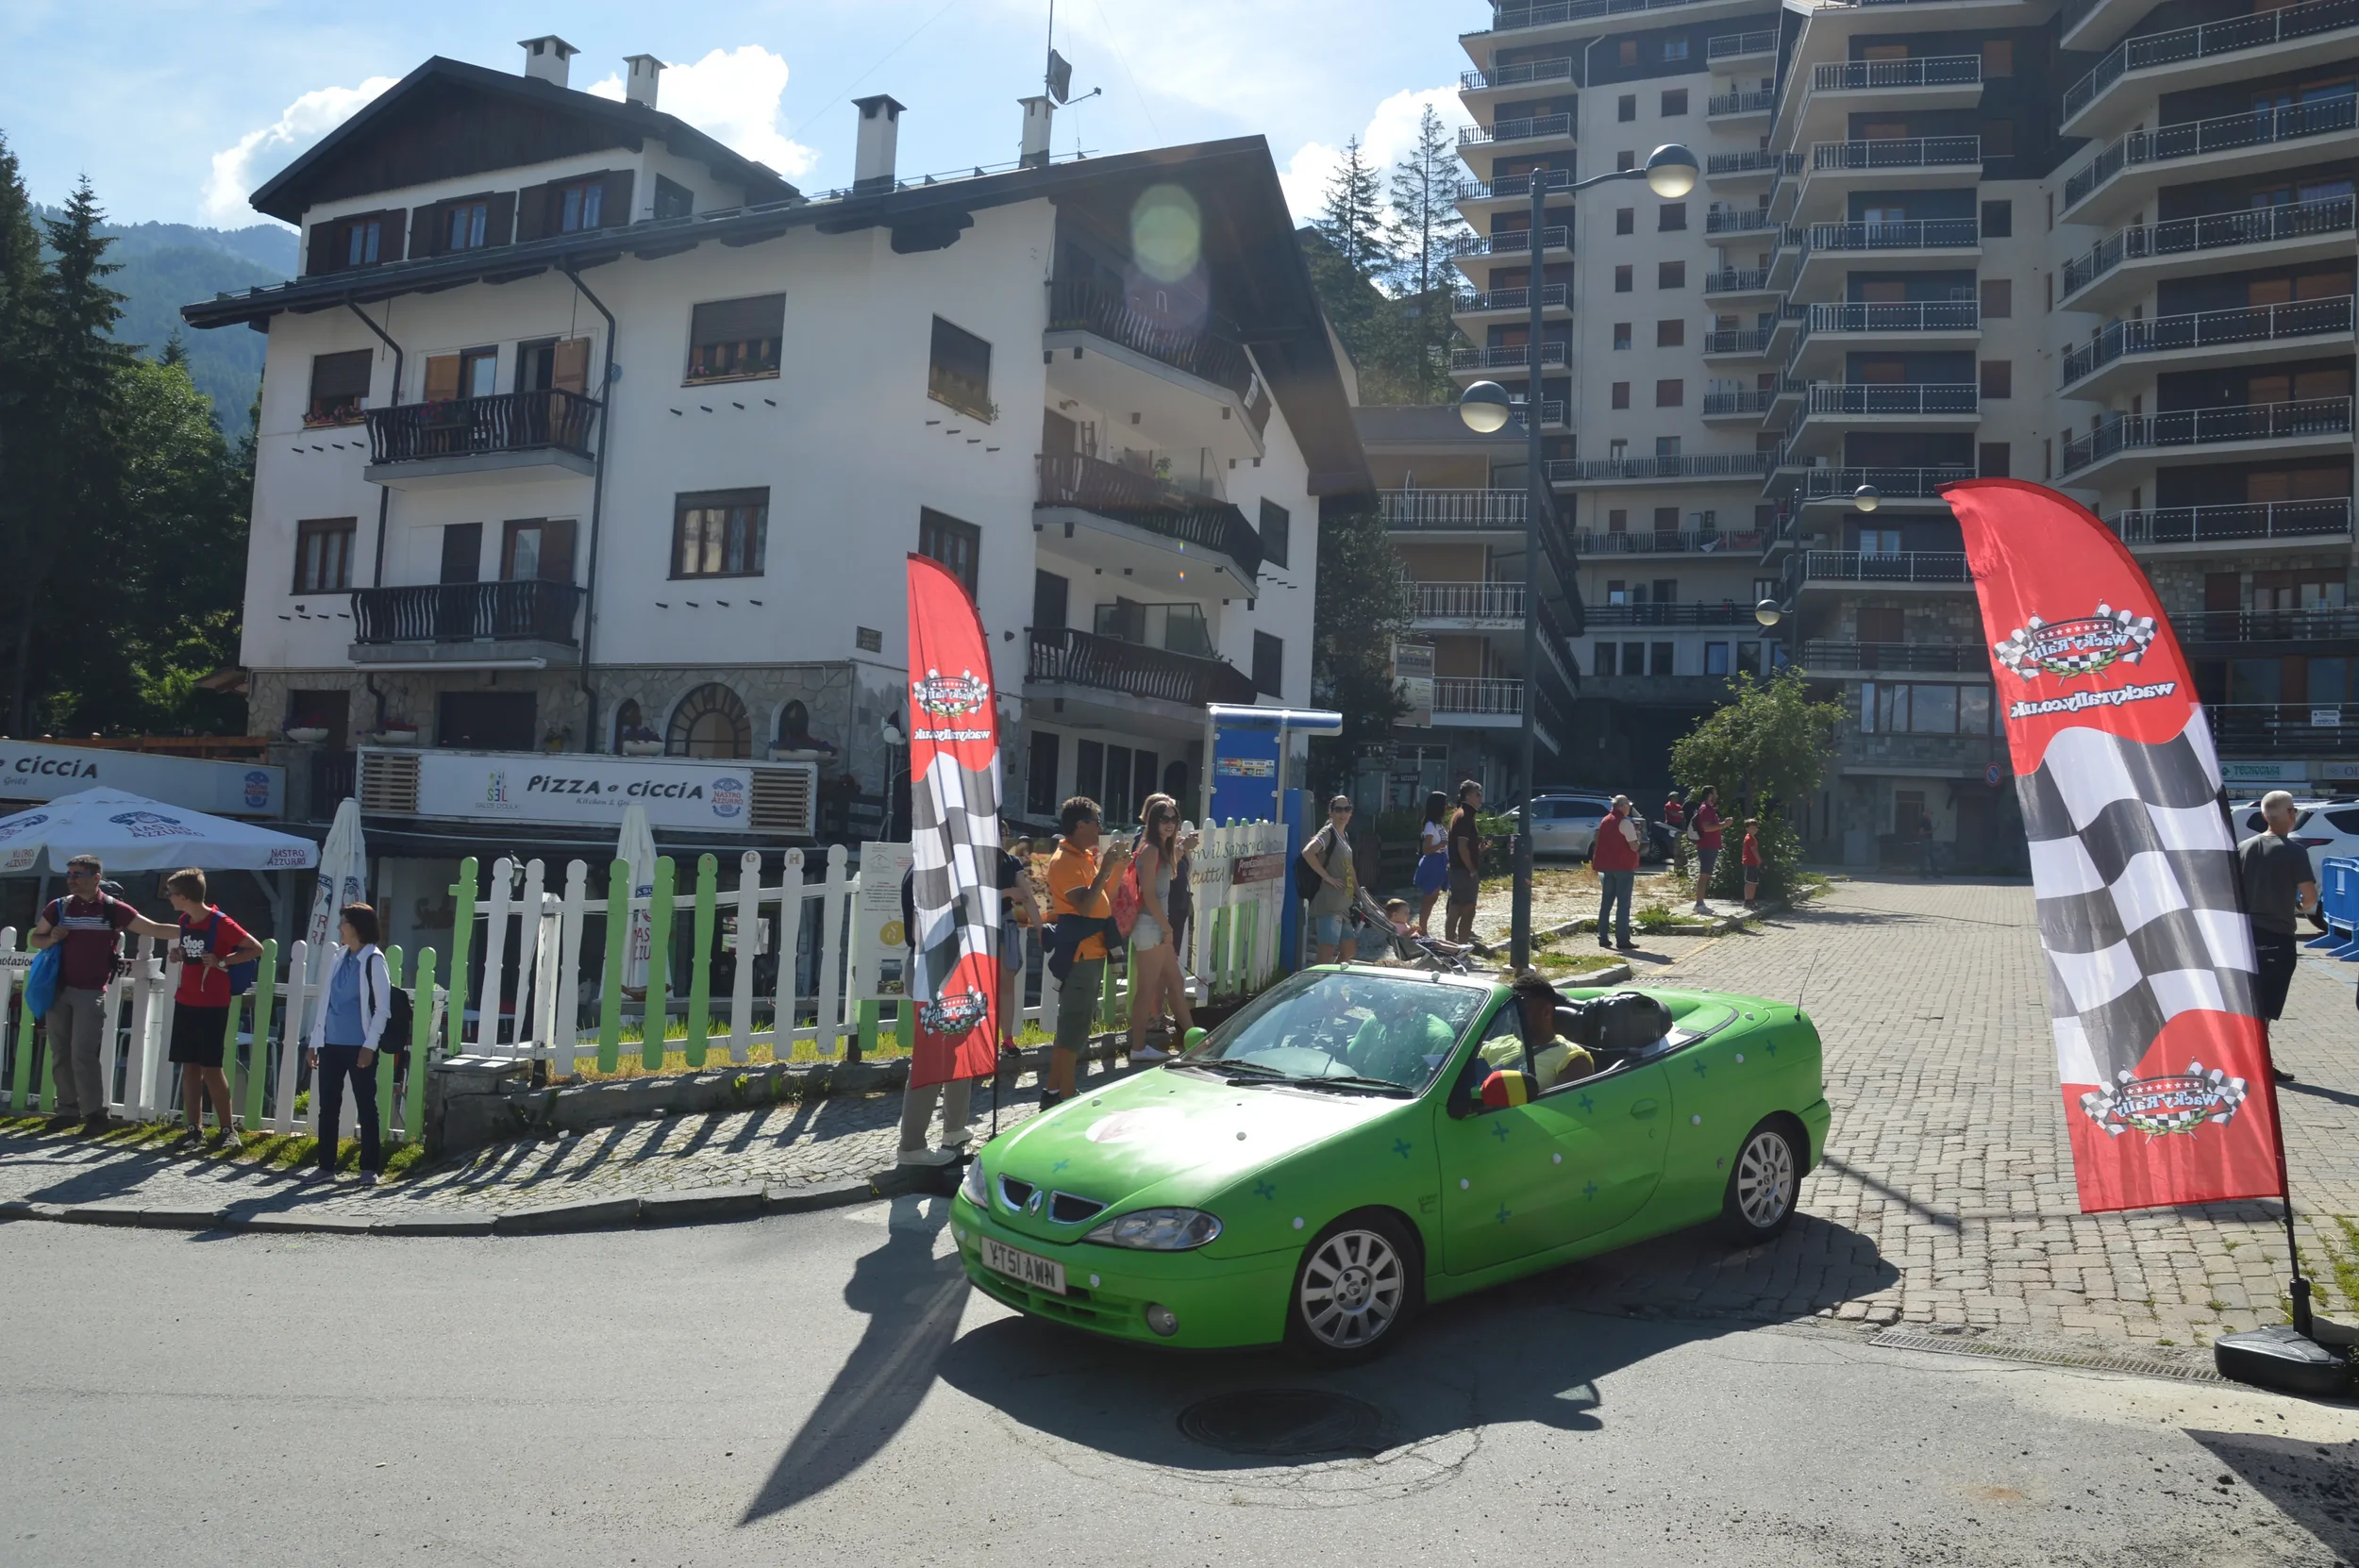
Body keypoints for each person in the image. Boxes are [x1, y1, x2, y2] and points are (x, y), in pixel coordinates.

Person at [125, 869, 261, 1149]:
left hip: (212, 1003)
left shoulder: (221, 922)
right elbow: (192, 952)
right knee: (189, 1067)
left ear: (184, 896)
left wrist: (223, 961)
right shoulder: (185, 920)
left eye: (171, 893)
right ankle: (194, 1129)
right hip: (186, 1000)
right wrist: (180, 954)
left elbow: (255, 948)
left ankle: (228, 1131)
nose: (168, 898)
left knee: (211, 1068)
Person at [26, 854, 142, 1134]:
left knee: (83, 1053)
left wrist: (196, 925)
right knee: (60, 1053)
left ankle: (94, 1115)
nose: (71, 880)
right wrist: (52, 937)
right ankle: (67, 1112)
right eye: (69, 874)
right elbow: (35, 939)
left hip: (90, 992)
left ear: (96, 877)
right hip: (58, 989)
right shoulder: (59, 906)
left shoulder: (113, 908)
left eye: (77, 874)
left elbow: (152, 928)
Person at [1042, 796, 1129, 1109]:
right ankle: (1066, 1095)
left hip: (1092, 951)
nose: (1100, 827)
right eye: (1096, 821)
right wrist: (1105, 867)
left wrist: (1115, 867)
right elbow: (1085, 906)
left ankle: (1053, 1090)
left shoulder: (1083, 857)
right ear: (1080, 825)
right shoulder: (1064, 861)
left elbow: (1104, 897)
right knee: (1073, 1028)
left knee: (1076, 1026)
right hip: (1080, 954)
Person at [303, 903, 389, 1183]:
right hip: (331, 1043)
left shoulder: (374, 961)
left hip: (359, 1045)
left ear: (357, 927)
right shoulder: (339, 957)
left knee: (366, 1105)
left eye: (344, 923)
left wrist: (369, 1046)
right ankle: (326, 1166)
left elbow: (382, 1009)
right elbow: (326, 1003)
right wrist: (315, 1041)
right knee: (328, 1106)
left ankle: (369, 1168)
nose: (340, 928)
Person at [2239, 790, 2317, 1086]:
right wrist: (2300, 908)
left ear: (2263, 816)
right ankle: (2259, 1063)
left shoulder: (2244, 847)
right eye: (2293, 809)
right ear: (2289, 814)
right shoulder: (2294, 851)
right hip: (2277, 934)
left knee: (2250, 1001)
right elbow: (2309, 897)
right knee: (2267, 1006)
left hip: (2246, 935)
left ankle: (2248, 1059)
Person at [1127, 794, 1195, 1063]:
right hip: (1150, 925)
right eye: (1164, 818)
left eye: (1174, 818)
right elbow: (1148, 895)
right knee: (1146, 988)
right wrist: (1166, 928)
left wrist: (1183, 848)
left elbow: (1170, 865)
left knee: (1175, 981)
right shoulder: (1150, 850)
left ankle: (1194, 1039)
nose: (1170, 823)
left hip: (1157, 925)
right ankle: (1138, 1047)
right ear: (1152, 821)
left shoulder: (1162, 849)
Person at [1299, 795, 1360, 964]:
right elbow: (1308, 852)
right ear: (1331, 813)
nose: (1343, 813)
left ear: (1351, 812)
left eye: (1347, 809)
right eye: (1338, 809)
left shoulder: (1344, 835)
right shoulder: (1328, 832)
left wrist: (1359, 893)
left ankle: (1331, 976)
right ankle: (1319, 979)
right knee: (1327, 950)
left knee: (1349, 950)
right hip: (1330, 902)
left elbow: (1349, 867)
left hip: (1344, 903)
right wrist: (1326, 877)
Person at [1590, 792, 1643, 951]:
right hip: (1623, 866)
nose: (1629, 808)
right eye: (1628, 806)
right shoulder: (1625, 822)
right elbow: (1633, 846)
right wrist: (1638, 837)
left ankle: (1603, 937)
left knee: (1606, 903)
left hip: (1607, 866)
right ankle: (1622, 939)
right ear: (1622, 807)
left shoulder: (1605, 820)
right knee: (1623, 904)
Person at [1446, 780, 1486, 945]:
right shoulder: (1465, 816)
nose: (1480, 798)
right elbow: (1462, 847)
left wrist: (1478, 849)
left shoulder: (1459, 814)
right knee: (1467, 910)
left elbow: (1465, 845)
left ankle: (1451, 946)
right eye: (1478, 794)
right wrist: (1471, 869)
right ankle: (1461, 947)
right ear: (1468, 796)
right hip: (1463, 870)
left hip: (1456, 869)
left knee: (1455, 906)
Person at [1413, 790, 1451, 935]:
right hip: (1433, 862)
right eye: (1445, 803)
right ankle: (1422, 929)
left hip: (1441, 861)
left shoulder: (1439, 824)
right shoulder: (1430, 825)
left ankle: (1424, 928)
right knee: (1429, 898)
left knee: (1433, 898)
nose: (1447, 806)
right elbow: (1426, 849)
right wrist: (1441, 845)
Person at [1690, 786, 1724, 915]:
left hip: (1711, 846)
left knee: (1706, 875)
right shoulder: (1705, 809)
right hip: (1706, 846)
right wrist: (1724, 825)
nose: (1717, 796)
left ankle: (1701, 903)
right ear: (1710, 795)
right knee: (1704, 875)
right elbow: (1706, 828)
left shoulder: (1710, 809)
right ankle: (1699, 904)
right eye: (1715, 793)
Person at [1742, 819, 1764, 908]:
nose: (1754, 829)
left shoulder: (1753, 837)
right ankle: (1747, 901)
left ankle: (1751, 900)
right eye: (1752, 828)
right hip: (1749, 862)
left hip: (1754, 863)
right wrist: (1760, 860)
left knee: (1754, 882)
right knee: (1749, 882)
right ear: (1747, 829)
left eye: (1755, 828)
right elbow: (1754, 851)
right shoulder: (1749, 838)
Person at [1918, 809, 1940, 878]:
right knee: (1924, 858)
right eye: (1930, 813)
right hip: (1925, 840)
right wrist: (1931, 831)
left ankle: (1934, 873)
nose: (1931, 815)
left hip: (1929, 840)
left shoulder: (1928, 821)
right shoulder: (1923, 821)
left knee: (1931, 857)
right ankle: (1923, 874)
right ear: (1926, 814)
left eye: (1931, 814)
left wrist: (1933, 829)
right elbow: (1921, 832)